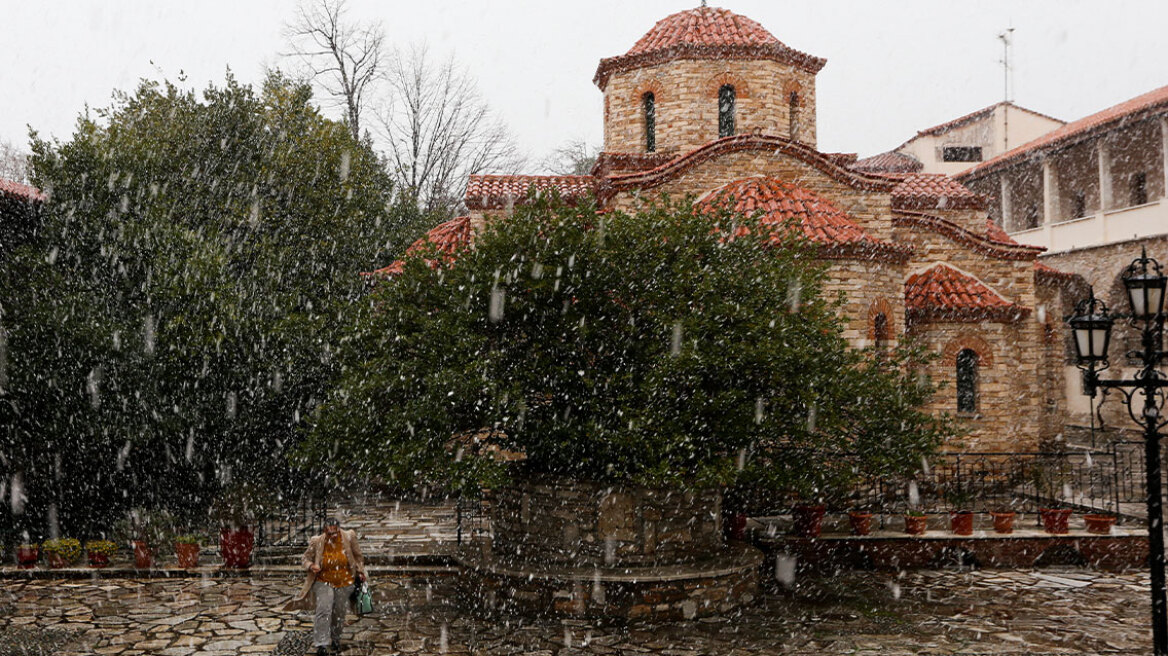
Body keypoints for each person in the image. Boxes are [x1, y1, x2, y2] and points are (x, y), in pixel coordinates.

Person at [286, 517, 368, 655]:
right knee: (323, 610)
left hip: (344, 580)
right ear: (324, 531)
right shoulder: (317, 541)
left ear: (339, 529)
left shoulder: (349, 537)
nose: (333, 536)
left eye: (335, 532)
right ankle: (321, 644)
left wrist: (360, 571)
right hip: (324, 580)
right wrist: (311, 565)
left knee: (339, 611)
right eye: (329, 533)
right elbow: (305, 559)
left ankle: (336, 639)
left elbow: (358, 556)